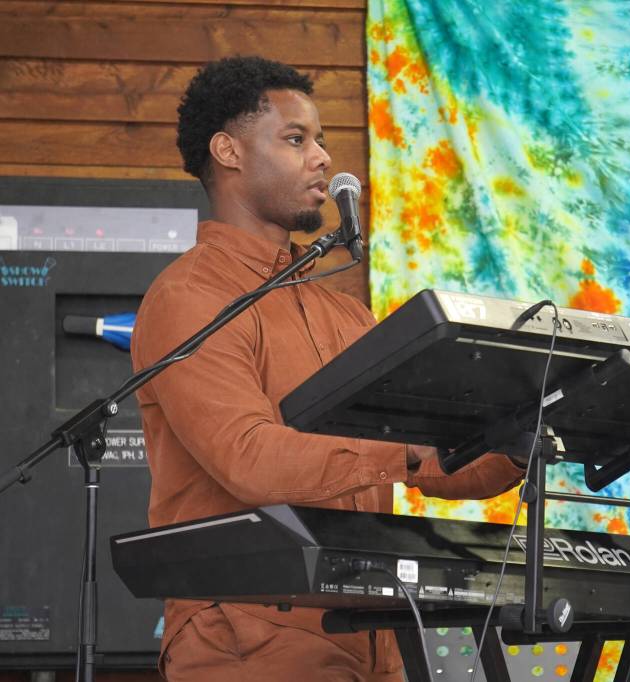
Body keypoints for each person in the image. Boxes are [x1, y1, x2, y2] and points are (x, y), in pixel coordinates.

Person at [131, 56, 525, 682]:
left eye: (320, 140)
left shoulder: (347, 316)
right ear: (228, 151)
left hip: (379, 633)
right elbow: (250, 459)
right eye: (296, 139)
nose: (322, 159)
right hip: (251, 634)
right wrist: (408, 451)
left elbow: (440, 466)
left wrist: (525, 437)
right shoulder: (189, 298)